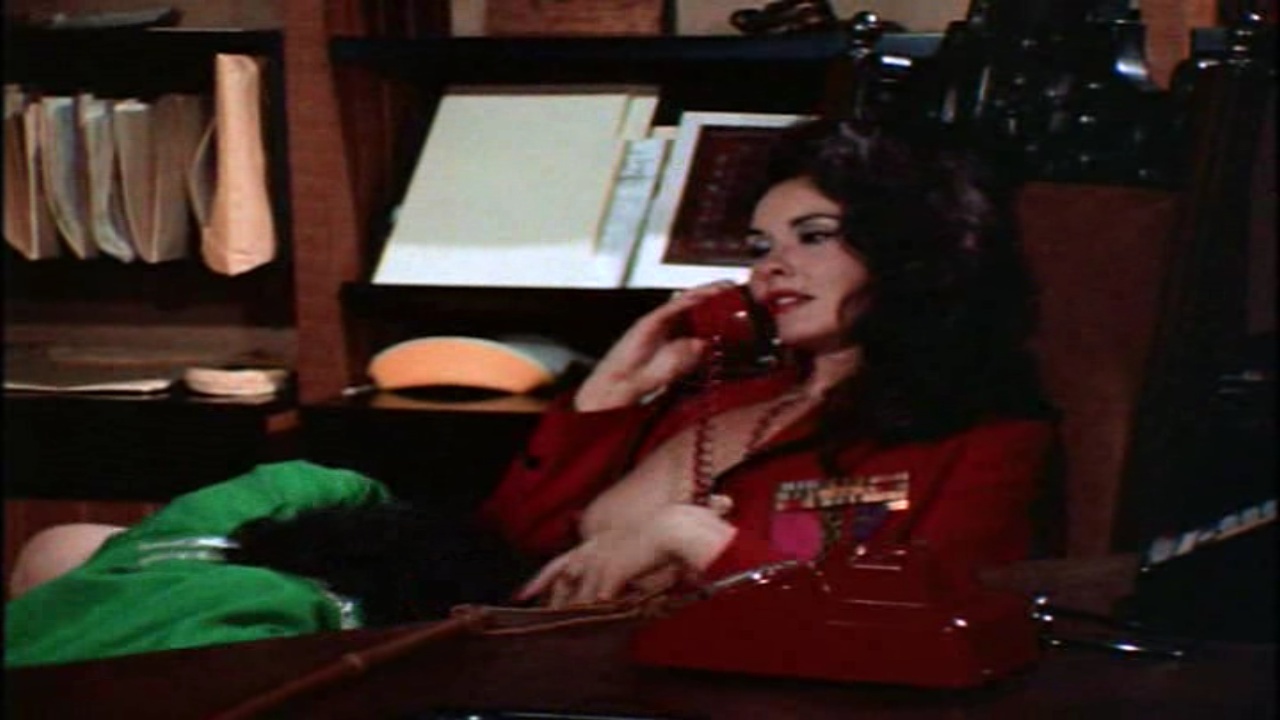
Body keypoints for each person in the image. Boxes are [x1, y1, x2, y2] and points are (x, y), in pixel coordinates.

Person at [5, 117, 1058, 666]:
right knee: (62, 551)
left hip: (593, 666)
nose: (769, 269)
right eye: (757, 246)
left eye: (812, 237)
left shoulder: (981, 436)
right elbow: (517, 537)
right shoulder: (722, 389)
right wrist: (607, 398)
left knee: (134, 615)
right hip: (493, 613)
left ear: (915, 253)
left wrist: (696, 541)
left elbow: (932, 625)